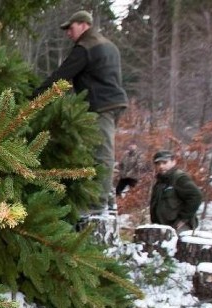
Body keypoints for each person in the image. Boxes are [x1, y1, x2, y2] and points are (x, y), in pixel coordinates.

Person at [35, 10, 128, 214]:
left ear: (84, 24)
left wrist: (34, 97)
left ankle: (98, 204)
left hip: (101, 106)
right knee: (96, 151)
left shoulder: (86, 46)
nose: (68, 32)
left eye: (71, 27)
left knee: (102, 154)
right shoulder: (109, 46)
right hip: (114, 104)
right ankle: (98, 198)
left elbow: (62, 76)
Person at [149, 150, 203, 232]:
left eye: (164, 163)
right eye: (158, 163)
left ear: (173, 162)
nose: (161, 166)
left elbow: (196, 196)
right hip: (163, 227)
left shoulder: (179, 178)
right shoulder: (160, 181)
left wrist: (183, 218)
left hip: (178, 228)